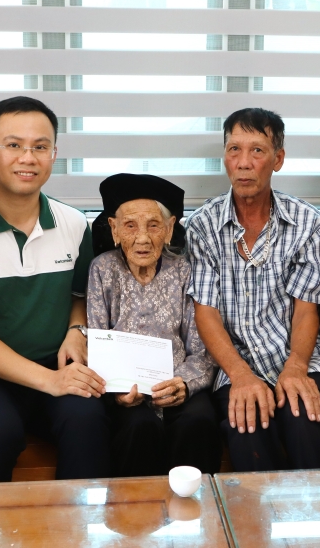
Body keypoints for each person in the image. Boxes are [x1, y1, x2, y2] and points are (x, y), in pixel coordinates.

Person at [0, 96, 110, 482]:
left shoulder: (74, 223)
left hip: (54, 365)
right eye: (13, 145)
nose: (28, 158)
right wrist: (50, 382)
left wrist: (76, 330)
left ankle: (75, 519)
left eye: (40, 147)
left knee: (89, 420)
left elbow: (80, 297)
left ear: (53, 154)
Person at [186, 108, 320, 471]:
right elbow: (206, 313)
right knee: (247, 428)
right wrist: (241, 375)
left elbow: (306, 310)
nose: (244, 163)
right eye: (234, 149)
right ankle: (253, 511)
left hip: (303, 355)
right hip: (235, 361)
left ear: (278, 159)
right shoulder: (202, 226)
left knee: (303, 420)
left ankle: (317, 506)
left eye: (257, 150)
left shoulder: (307, 224)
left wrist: (296, 366)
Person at [87, 173, 219, 476]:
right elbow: (96, 343)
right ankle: (139, 505)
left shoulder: (184, 271)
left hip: (177, 384)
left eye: (154, 225)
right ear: (114, 229)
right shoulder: (102, 270)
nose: (143, 238)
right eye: (130, 226)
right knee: (139, 427)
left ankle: (195, 502)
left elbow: (202, 349)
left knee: (198, 420)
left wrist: (183, 383)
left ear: (170, 229)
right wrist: (117, 392)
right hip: (125, 390)